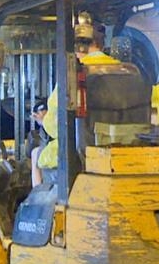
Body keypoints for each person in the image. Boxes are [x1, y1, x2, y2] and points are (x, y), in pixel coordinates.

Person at [34, 13, 119, 176]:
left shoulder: (76, 74)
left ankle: (37, 198)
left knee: (37, 155)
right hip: (118, 150)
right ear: (101, 43)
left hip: (81, 155)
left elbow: (56, 126)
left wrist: (44, 120)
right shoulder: (126, 70)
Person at [28, 100, 49, 187]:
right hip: (57, 147)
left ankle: (37, 189)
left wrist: (43, 122)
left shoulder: (52, 121)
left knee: (35, 153)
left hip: (60, 149)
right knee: (36, 152)